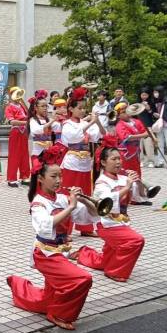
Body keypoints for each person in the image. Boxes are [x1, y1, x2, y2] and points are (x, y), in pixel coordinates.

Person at [6, 151, 95, 330]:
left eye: (60, 176)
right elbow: (45, 226)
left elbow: (91, 215)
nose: (59, 180)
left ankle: (19, 286)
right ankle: (59, 314)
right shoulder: (38, 203)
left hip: (60, 251)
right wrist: (70, 207)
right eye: (53, 176)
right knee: (82, 279)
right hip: (45, 253)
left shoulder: (62, 198)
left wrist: (84, 200)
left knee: (50, 295)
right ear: (40, 178)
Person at [74, 143, 145, 282]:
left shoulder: (124, 178)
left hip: (122, 222)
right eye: (114, 159)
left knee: (105, 260)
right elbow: (109, 201)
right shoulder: (101, 183)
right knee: (136, 241)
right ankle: (115, 272)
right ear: (103, 162)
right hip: (107, 224)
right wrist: (128, 186)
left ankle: (83, 253)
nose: (118, 162)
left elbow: (141, 195)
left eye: (119, 158)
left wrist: (139, 182)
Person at [60, 87, 105, 237]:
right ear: (71, 109)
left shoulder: (83, 123)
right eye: (79, 108)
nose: (82, 111)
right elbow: (73, 137)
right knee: (70, 194)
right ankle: (64, 229)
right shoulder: (67, 124)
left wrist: (97, 122)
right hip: (72, 162)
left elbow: (100, 135)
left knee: (86, 195)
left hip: (85, 163)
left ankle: (85, 228)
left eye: (83, 108)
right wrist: (90, 122)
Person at [114, 102, 152, 205]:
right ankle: (132, 197)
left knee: (138, 172)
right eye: (123, 112)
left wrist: (138, 135)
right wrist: (140, 135)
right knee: (129, 174)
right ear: (118, 115)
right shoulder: (119, 125)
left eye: (127, 110)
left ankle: (140, 195)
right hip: (125, 153)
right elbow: (125, 137)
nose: (126, 113)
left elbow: (146, 133)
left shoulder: (137, 121)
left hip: (135, 152)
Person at [4, 88, 30, 188]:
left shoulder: (22, 106)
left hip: (24, 132)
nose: (18, 95)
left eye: (19, 93)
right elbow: (12, 122)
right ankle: (12, 178)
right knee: (14, 155)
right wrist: (25, 123)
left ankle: (25, 177)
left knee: (24, 154)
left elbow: (29, 115)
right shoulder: (9, 107)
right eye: (16, 93)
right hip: (16, 132)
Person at [152, 86, 167, 168]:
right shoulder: (156, 101)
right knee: (160, 144)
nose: (155, 94)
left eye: (156, 92)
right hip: (159, 125)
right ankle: (160, 162)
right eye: (154, 92)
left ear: (161, 92)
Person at [29, 95, 52, 173]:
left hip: (49, 154)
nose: (45, 108)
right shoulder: (33, 120)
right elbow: (36, 130)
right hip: (37, 154)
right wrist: (52, 122)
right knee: (37, 175)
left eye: (46, 106)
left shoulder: (48, 119)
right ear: (36, 108)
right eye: (42, 106)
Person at [137, 88, 156, 167]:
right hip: (138, 126)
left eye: (145, 95)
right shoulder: (137, 104)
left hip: (148, 125)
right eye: (142, 95)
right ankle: (141, 160)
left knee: (149, 144)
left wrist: (149, 109)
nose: (144, 96)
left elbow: (154, 114)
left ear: (148, 95)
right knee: (139, 144)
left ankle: (151, 161)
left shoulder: (151, 103)